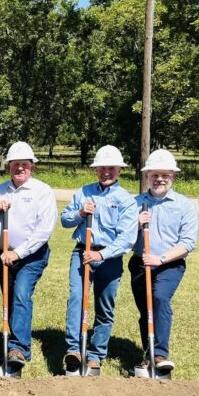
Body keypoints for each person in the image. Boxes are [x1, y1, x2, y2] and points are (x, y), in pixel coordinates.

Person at [61, 145, 138, 373]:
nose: (106, 172)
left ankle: (95, 354)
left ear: (119, 171)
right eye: (102, 167)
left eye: (111, 168)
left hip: (109, 257)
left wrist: (101, 254)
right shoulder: (83, 192)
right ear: (96, 169)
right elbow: (65, 220)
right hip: (82, 252)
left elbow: (126, 239)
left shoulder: (126, 200)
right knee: (77, 297)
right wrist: (80, 214)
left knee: (105, 306)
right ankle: (74, 349)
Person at [129, 149, 198, 372]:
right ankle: (148, 354)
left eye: (165, 175)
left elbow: (187, 243)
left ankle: (159, 355)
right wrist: (136, 225)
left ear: (173, 177)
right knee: (145, 310)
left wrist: (160, 259)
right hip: (140, 263)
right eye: (155, 175)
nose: (159, 179)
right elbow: (122, 239)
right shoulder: (135, 203)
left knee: (159, 299)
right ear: (147, 176)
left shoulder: (184, 205)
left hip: (169, 264)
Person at [0, 142, 57, 369]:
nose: (20, 168)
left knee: (20, 295)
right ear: (8, 166)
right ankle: (11, 342)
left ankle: (18, 348)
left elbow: (44, 230)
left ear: (32, 167)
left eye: (24, 165)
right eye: (15, 164)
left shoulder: (42, 191)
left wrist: (17, 253)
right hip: (4, 255)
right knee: (9, 299)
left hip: (31, 256)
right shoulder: (0, 189)